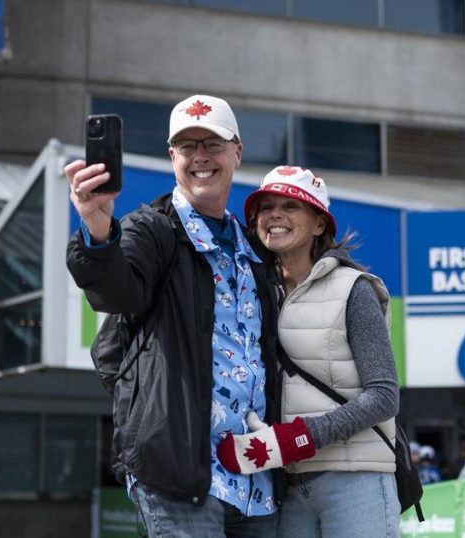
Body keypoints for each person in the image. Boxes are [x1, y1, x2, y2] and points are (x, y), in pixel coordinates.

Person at [65, 94, 285, 536]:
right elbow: (116, 291)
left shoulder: (253, 249)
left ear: (237, 152)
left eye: (213, 144)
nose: (200, 157)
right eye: (187, 147)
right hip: (180, 475)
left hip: (256, 479)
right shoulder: (153, 228)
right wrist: (97, 228)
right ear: (172, 157)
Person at [215, 165, 401, 537]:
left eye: (291, 206)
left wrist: (298, 438)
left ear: (320, 224)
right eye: (266, 207)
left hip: (357, 481)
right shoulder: (253, 291)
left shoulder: (354, 288)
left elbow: (384, 396)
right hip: (290, 487)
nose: (275, 215)